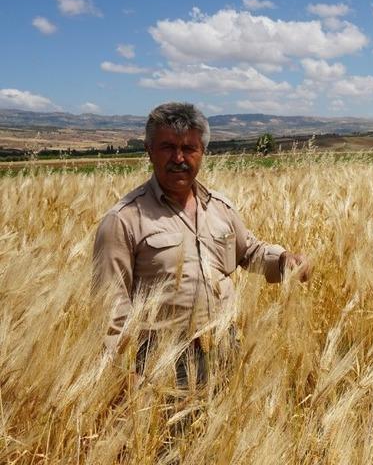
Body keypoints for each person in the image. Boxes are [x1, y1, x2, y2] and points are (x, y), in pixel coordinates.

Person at [92, 102, 311, 387]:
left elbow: (248, 251)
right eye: (168, 147)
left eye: (189, 148)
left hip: (225, 347)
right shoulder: (123, 219)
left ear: (203, 152)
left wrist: (283, 260)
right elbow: (110, 305)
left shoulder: (220, 207)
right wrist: (117, 374)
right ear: (149, 150)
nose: (179, 158)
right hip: (161, 363)